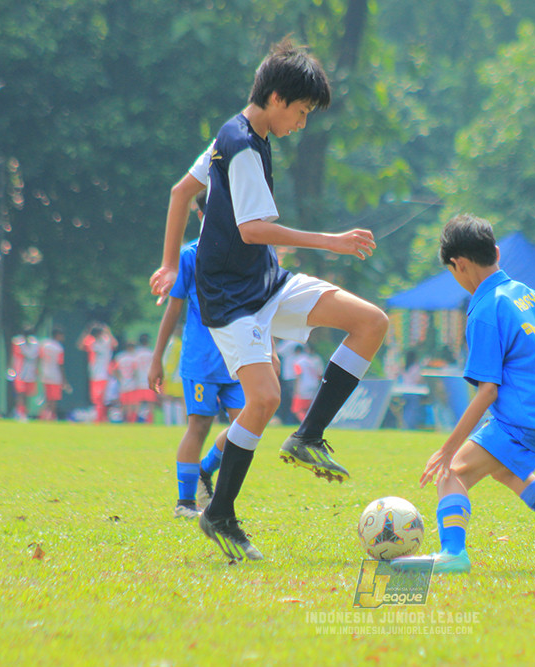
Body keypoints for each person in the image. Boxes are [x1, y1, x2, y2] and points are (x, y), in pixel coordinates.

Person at [149, 39, 388, 562]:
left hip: (265, 283)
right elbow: (253, 230)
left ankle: (309, 436)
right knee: (263, 400)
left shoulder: (239, 134)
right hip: (229, 299)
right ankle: (219, 514)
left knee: (371, 322)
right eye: (301, 112)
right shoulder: (240, 146)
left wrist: (168, 263)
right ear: (277, 98)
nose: (301, 123)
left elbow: (180, 192)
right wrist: (331, 241)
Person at [392, 214, 535, 574]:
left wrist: (447, 449)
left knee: (452, 473)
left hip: (531, 417)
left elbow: (487, 393)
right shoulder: (526, 293)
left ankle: (453, 554)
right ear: (496, 252)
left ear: (459, 264)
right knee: (506, 469)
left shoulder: (484, 309)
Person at [150, 193, 246, 520]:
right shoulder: (190, 256)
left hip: (239, 360)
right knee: (200, 425)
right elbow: (173, 309)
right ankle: (186, 503)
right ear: (202, 214)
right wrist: (157, 359)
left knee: (248, 426)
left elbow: (259, 307)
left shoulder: (246, 253)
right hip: (202, 361)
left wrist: (270, 350)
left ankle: (205, 469)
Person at [78, 323, 117, 423]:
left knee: (101, 398)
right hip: (94, 374)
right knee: (96, 399)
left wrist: (108, 331)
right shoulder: (93, 343)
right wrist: (87, 332)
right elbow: (81, 345)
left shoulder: (105, 341)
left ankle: (100, 418)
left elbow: (114, 344)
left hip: (103, 375)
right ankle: (101, 418)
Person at [39, 327, 69, 421]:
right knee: (54, 398)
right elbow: (60, 364)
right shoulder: (58, 348)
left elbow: (39, 357)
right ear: (57, 335)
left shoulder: (44, 344)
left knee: (47, 398)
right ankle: (51, 416)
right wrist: (64, 380)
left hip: (45, 374)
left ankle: (43, 416)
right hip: (55, 376)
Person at [10, 328, 40, 421]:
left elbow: (35, 357)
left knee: (27, 394)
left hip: (30, 373)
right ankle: (19, 412)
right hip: (20, 372)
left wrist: (36, 370)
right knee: (20, 394)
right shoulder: (18, 343)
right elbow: (16, 356)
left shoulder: (34, 344)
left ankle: (25, 412)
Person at [290, 343, 323, 422]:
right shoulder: (314, 360)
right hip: (314, 385)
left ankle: (305, 422)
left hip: (303, 386)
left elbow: (298, 375)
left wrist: (296, 389)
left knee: (297, 409)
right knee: (309, 407)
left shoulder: (299, 361)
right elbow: (320, 374)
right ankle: (311, 422)